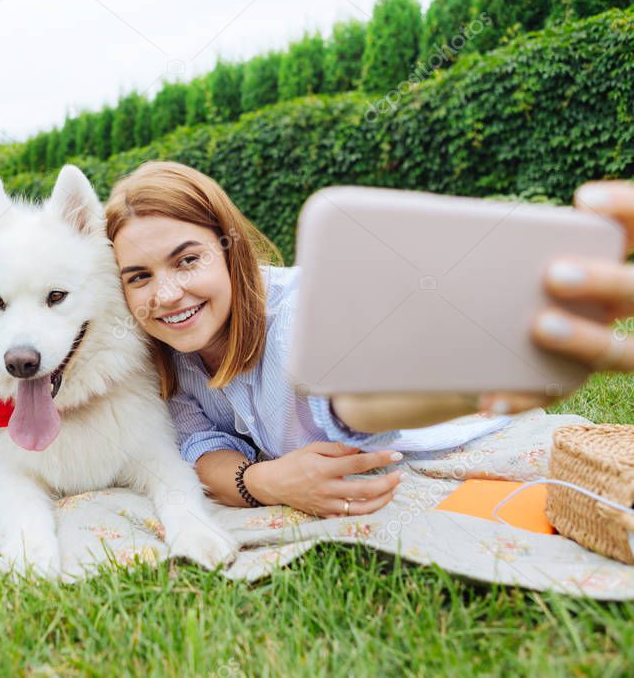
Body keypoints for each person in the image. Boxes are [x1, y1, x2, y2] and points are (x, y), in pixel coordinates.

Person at [105, 161, 634, 517]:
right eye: (139, 276)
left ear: (229, 249)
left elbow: (353, 405)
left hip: (448, 426)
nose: (167, 294)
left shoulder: (299, 314)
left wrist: (471, 390)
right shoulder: (163, 358)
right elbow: (202, 447)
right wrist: (264, 483)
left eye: (187, 259)